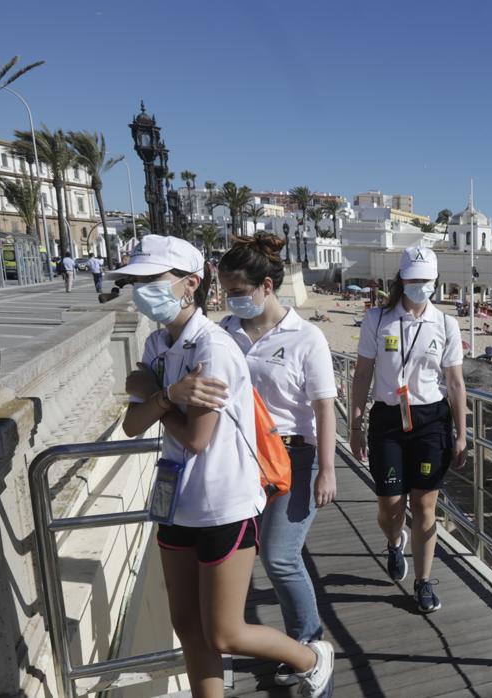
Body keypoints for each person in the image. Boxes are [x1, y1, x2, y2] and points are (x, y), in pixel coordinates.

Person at [116, 235, 334, 698]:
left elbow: (198, 438)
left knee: (224, 633)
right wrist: (164, 397)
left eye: (150, 280)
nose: (139, 290)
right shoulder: (158, 343)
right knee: (188, 627)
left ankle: (311, 656)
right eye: (134, 281)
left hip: (222, 502)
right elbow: (133, 424)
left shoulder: (212, 348)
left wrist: (160, 397)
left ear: (190, 285)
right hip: (175, 503)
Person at [350, 246, 467, 614]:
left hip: (431, 420)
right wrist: (355, 424)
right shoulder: (377, 319)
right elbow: (363, 374)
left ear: (436, 281)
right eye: (414, 280)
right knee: (390, 507)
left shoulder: (446, 324)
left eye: (427, 281)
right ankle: (393, 539)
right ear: (401, 280)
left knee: (424, 503)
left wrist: (463, 434)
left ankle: (423, 581)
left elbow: (455, 383)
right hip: (388, 419)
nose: (421, 287)